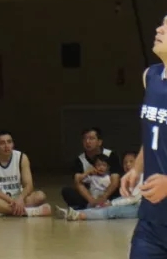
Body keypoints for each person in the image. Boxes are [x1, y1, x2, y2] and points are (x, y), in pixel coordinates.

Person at [123, 16, 167, 259]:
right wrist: (137, 169)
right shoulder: (150, 76)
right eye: (161, 23)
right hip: (152, 220)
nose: (159, 29)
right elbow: (153, 134)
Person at [0, 131, 50, 217]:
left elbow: (29, 185)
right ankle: (28, 212)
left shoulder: (21, 157)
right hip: (0, 199)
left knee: (40, 196)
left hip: (19, 198)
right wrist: (12, 201)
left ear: (13, 144)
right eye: (2, 143)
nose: (7, 146)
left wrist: (20, 199)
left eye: (9, 142)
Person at [59, 151, 140, 222]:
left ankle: (79, 214)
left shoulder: (141, 177)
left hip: (139, 208)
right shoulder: (127, 179)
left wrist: (112, 203)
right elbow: (78, 180)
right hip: (129, 204)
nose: (128, 164)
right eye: (125, 162)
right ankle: (73, 212)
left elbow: (133, 198)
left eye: (131, 161)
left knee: (112, 211)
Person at [62, 127, 122, 208]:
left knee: (122, 189)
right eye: (85, 139)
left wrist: (104, 197)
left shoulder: (110, 155)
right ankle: (88, 206)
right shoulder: (79, 160)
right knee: (67, 191)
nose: (87, 142)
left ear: (99, 142)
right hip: (90, 194)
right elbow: (77, 181)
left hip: (108, 193)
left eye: (91, 138)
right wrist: (92, 200)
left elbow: (115, 180)